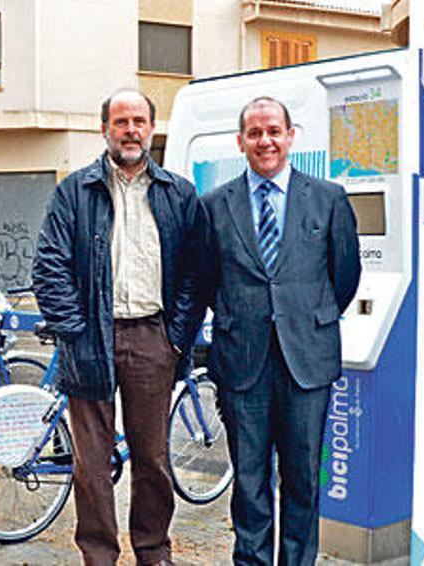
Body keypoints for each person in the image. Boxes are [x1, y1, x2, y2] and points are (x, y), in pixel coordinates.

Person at [32, 89, 203, 566]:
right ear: (104, 128)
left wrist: (176, 338)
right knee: (91, 465)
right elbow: (49, 267)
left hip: (153, 338)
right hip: (91, 338)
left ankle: (153, 552)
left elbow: (197, 271)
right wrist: (76, 332)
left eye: (139, 121)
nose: (131, 130)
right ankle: (99, 556)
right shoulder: (75, 191)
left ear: (152, 128)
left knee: (153, 460)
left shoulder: (177, 193)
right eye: (121, 122)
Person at [197, 96, 361, 565]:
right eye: (255, 133)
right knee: (249, 482)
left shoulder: (328, 198)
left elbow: (345, 276)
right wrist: (243, 316)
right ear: (240, 142)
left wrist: (303, 317)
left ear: (290, 137)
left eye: (273, 131)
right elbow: (206, 279)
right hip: (242, 362)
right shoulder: (214, 205)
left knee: (303, 480)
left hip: (307, 360)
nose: (265, 141)